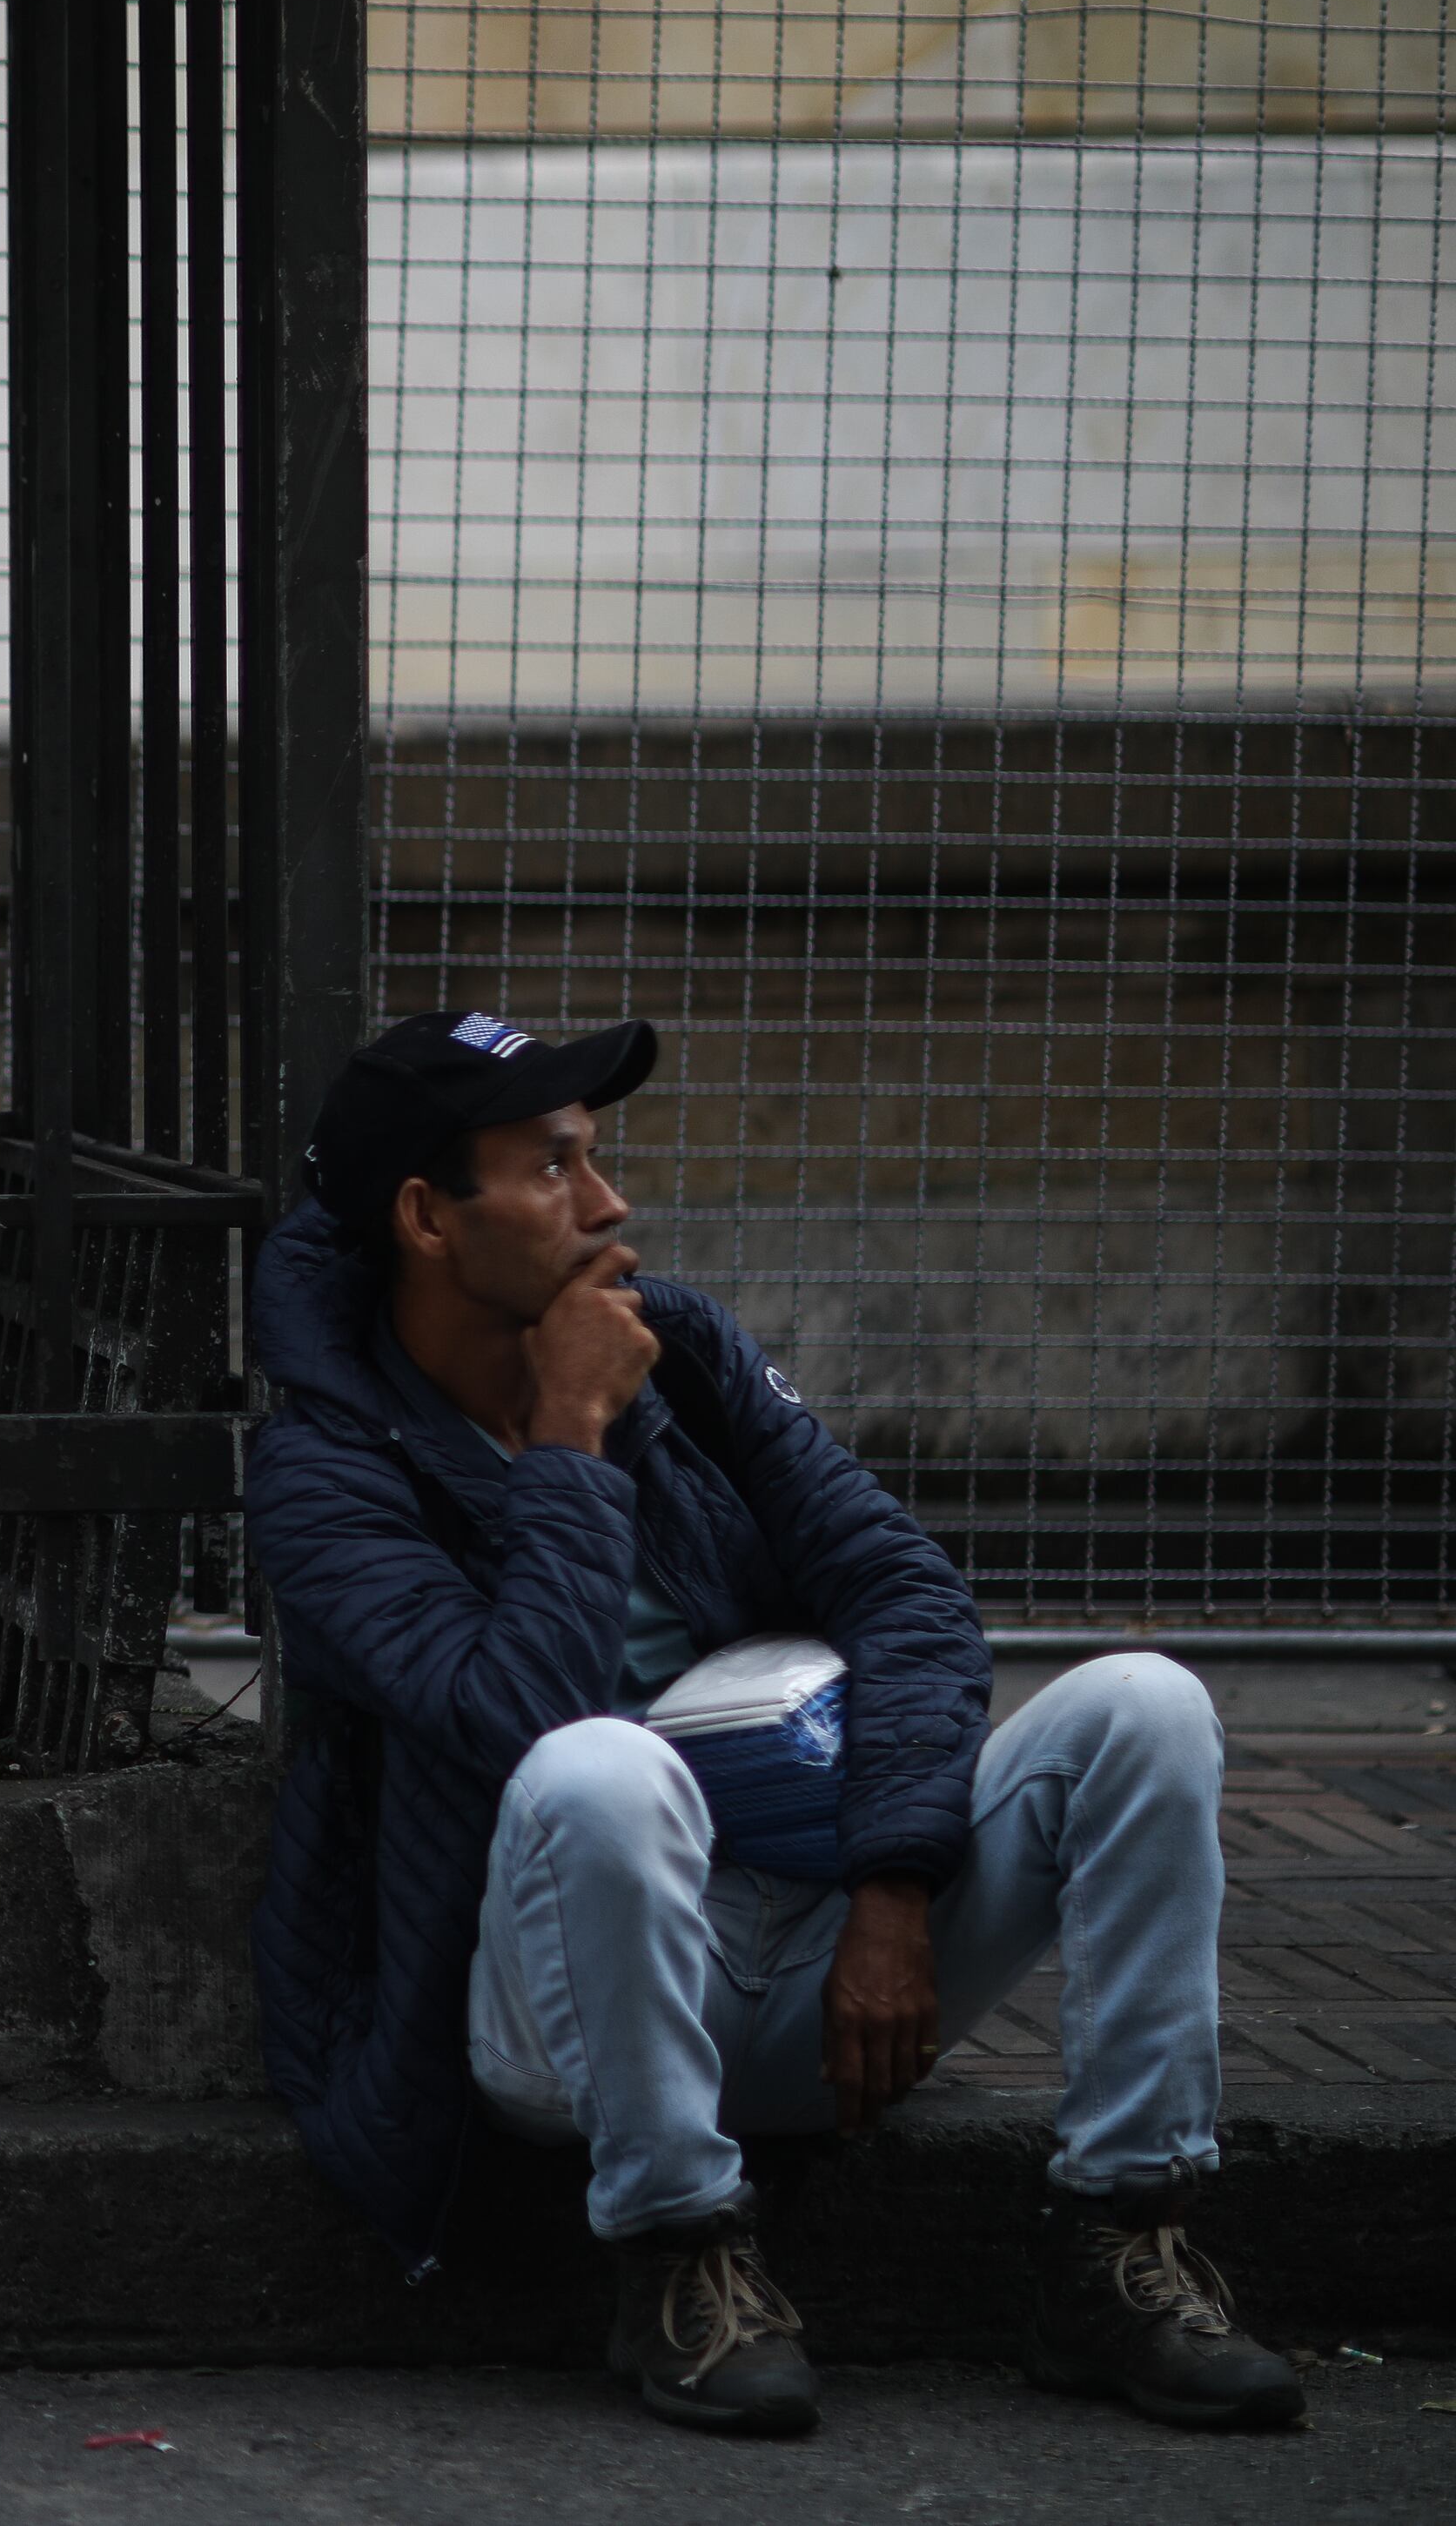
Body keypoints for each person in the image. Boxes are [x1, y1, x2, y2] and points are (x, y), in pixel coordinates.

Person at [241, 1007, 1300, 2439]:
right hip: (562, 2022)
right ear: (428, 1216)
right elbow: (516, 1718)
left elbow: (907, 1594)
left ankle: (1121, 2237)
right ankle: (682, 2256)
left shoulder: (676, 1349)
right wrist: (567, 1441)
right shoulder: (322, 1468)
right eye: (552, 1167)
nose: (608, 1205)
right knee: (600, 1762)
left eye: (598, 1159)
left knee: (1145, 1708)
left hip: (822, 1979)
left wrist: (892, 1880)